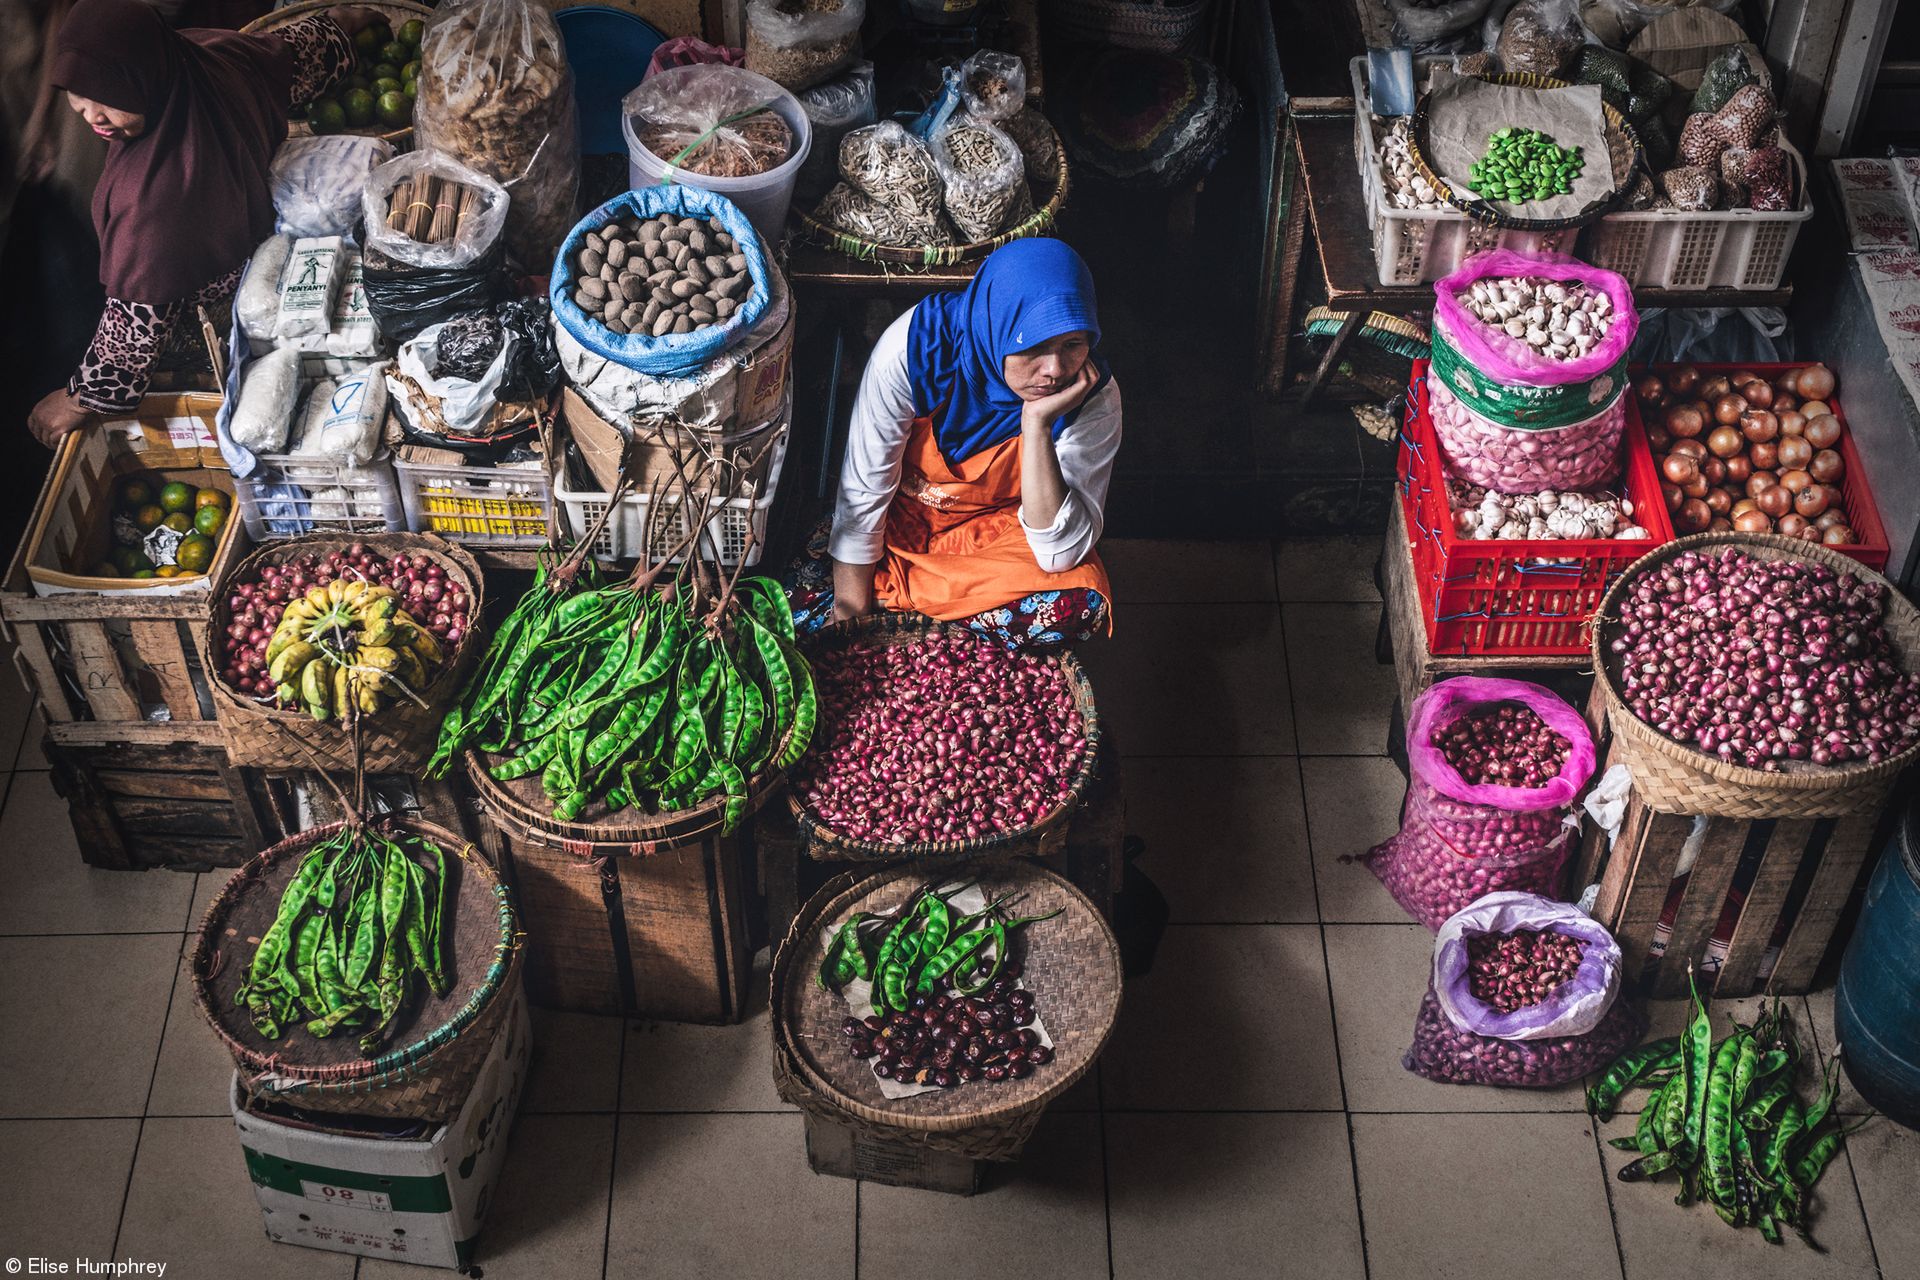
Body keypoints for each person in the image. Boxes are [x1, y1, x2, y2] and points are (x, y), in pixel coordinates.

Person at [26, 0, 378, 448]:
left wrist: (78, 400)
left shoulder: (152, 201)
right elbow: (297, 54)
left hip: (218, 310)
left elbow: (137, 325)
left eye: (110, 93)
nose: (91, 114)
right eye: (78, 92)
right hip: (263, 247)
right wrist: (347, 25)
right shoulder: (206, 55)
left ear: (144, 76)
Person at [791, 238, 1120, 648]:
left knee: (1076, 608)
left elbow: (1058, 554)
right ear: (996, 326)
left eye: (1073, 344)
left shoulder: (1093, 397)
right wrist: (851, 616)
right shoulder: (917, 348)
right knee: (802, 599)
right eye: (1033, 347)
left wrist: (1037, 424)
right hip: (904, 521)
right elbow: (865, 491)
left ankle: (903, 610)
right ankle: (950, 621)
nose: (1055, 370)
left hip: (998, 538)